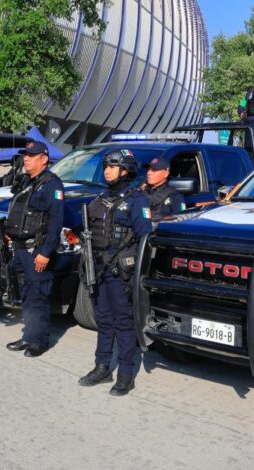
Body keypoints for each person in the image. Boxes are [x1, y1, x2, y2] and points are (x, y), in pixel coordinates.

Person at [78, 149, 152, 396]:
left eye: (112, 166)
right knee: (104, 320)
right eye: (106, 166)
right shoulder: (98, 199)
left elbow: (145, 239)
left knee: (123, 323)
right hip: (98, 270)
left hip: (121, 273)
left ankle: (126, 374)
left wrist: (138, 277)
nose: (107, 170)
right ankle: (102, 367)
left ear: (125, 170)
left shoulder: (136, 200)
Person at [5, 141, 65, 357]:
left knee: (38, 296)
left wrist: (46, 252)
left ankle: (39, 341)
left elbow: (55, 222)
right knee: (27, 295)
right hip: (21, 249)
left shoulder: (52, 185)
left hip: (36, 250)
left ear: (44, 159)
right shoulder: (26, 182)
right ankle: (28, 336)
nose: (27, 158)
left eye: (32, 155)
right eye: (26, 155)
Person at [141, 156, 185, 225]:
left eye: (154, 170)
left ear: (165, 174)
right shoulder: (140, 191)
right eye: (149, 169)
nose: (149, 173)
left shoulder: (174, 196)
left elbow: (180, 222)